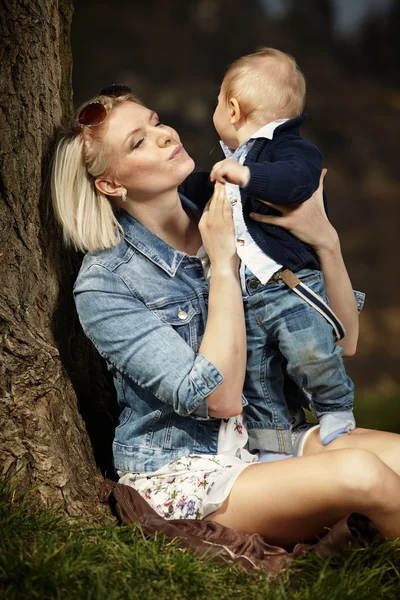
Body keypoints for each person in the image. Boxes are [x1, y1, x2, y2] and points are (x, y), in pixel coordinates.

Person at [51, 86, 400, 548]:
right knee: (362, 475)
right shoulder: (106, 284)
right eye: (137, 142)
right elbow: (220, 400)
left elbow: (342, 341)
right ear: (111, 185)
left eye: (155, 121)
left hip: (271, 434)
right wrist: (222, 266)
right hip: (192, 470)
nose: (163, 135)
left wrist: (325, 242)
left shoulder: (240, 211)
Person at [209, 47, 358, 460]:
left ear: (233, 109)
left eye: (217, 102)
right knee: (256, 373)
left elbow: (294, 183)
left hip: (288, 282)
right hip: (247, 296)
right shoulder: (231, 161)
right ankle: (272, 442)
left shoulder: (289, 150)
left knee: (312, 350)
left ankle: (334, 408)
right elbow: (198, 194)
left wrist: (248, 176)